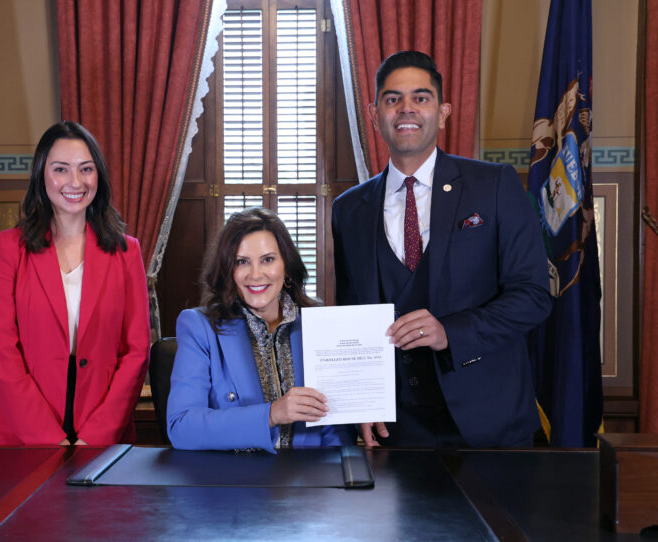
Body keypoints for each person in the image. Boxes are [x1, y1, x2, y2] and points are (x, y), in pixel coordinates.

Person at [331, 51, 552, 448]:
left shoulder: (495, 185)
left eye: (421, 97)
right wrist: (357, 404)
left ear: (443, 111)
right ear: (374, 113)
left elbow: (533, 296)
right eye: (392, 98)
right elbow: (352, 315)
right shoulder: (348, 209)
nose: (406, 109)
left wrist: (449, 331)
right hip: (394, 430)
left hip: (489, 423)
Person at [0, 121, 150, 446]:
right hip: (20, 434)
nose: (75, 182)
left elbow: (136, 352)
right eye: (61, 169)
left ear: (97, 176)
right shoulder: (9, 249)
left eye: (86, 169)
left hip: (102, 430)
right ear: (42, 176)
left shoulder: (127, 252)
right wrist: (48, 440)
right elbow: (1, 354)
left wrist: (96, 436)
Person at [167, 207, 355, 452]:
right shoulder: (199, 326)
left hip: (312, 478)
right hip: (233, 481)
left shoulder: (320, 323)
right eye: (242, 262)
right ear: (228, 270)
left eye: (267, 259)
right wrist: (271, 413)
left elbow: (336, 429)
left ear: (286, 266)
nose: (255, 275)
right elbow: (181, 428)